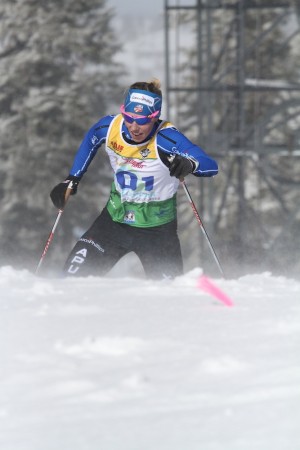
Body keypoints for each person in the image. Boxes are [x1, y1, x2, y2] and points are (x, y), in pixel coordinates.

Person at [50, 79, 218, 279]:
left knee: (169, 299)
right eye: (129, 117)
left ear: (155, 118)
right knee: (70, 280)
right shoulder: (109, 127)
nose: (134, 126)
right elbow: (91, 139)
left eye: (143, 121)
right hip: (113, 223)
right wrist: (72, 178)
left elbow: (210, 165)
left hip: (157, 231)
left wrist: (191, 164)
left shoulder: (167, 138)